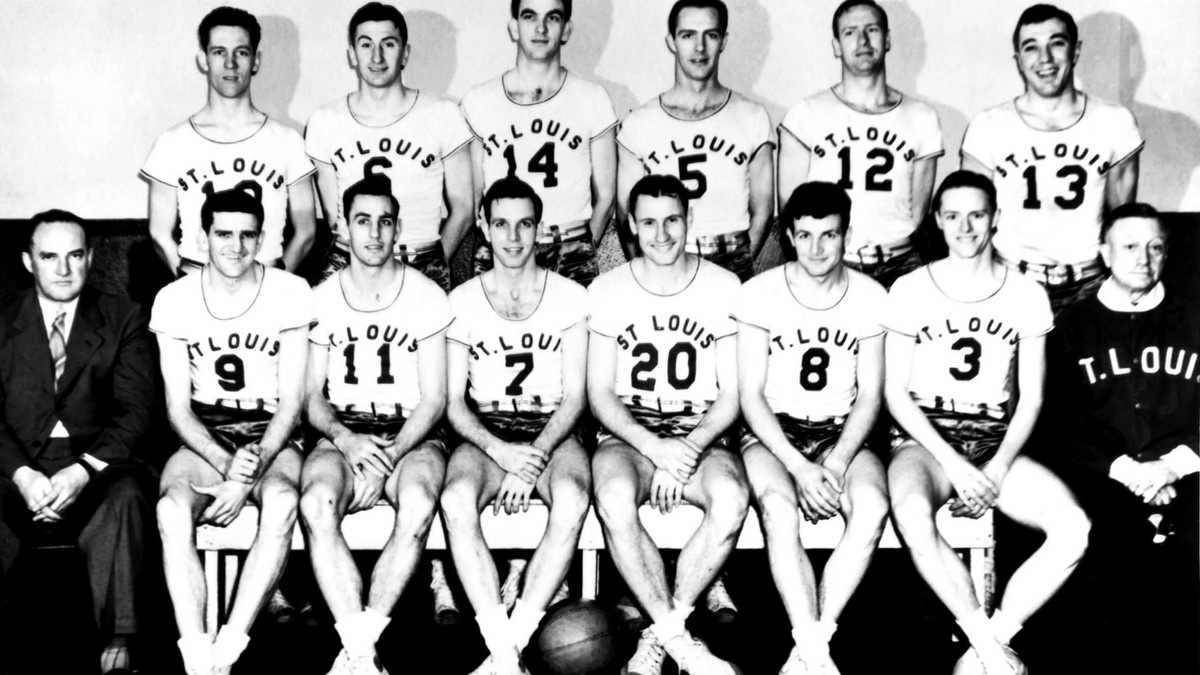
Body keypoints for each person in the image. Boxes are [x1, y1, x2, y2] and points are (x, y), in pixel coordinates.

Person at [884, 170, 1090, 675]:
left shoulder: (1026, 292)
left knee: (1075, 529)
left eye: (977, 214)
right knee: (910, 511)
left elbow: (1031, 397)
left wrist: (996, 468)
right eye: (953, 215)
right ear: (937, 220)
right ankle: (990, 651)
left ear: (996, 218)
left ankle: (990, 643)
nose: (966, 227)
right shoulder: (910, 288)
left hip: (993, 438)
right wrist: (953, 465)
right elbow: (894, 393)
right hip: (925, 438)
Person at [153, 184, 313, 675]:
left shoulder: (290, 291)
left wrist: (249, 473)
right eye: (224, 234)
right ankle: (197, 658)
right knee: (171, 509)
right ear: (203, 238)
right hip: (207, 431)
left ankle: (229, 647)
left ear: (262, 238)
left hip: (271, 430)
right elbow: (178, 411)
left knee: (282, 500)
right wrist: (228, 465)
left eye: (247, 235)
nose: (236, 246)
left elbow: (293, 404)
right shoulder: (174, 299)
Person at [589, 174, 746, 675]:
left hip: (700, 434)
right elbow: (600, 394)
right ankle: (681, 642)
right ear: (631, 226)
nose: (661, 234)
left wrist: (687, 448)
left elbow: (732, 394)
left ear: (689, 220)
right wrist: (656, 449)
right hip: (630, 435)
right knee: (614, 496)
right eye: (649, 222)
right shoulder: (608, 289)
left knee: (731, 498)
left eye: (672, 220)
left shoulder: (724, 286)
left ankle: (660, 634)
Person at [297, 175, 451, 675]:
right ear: (344, 227)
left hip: (411, 434)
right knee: (315, 502)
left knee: (420, 501)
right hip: (344, 433)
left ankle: (359, 648)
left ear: (399, 228)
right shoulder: (321, 298)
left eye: (385, 221)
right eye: (363, 221)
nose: (375, 232)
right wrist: (346, 441)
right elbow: (309, 397)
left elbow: (435, 399)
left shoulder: (427, 295)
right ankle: (362, 654)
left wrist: (388, 455)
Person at [439, 174, 590, 675]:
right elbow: (453, 404)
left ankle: (509, 650)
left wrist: (532, 460)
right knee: (456, 498)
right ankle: (501, 648)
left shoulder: (570, 296)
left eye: (525, 224)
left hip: (551, 429)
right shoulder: (461, 301)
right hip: (488, 431)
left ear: (540, 229)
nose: (513, 236)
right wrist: (501, 453)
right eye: (501, 224)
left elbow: (575, 398)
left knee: (571, 497)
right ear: (483, 227)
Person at [736, 182, 889, 674]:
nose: (817, 248)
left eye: (829, 235)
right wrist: (800, 468)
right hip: (774, 432)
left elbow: (871, 394)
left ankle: (810, 648)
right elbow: (750, 396)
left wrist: (837, 460)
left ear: (848, 235)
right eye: (804, 235)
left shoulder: (871, 296)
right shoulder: (759, 293)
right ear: (788, 236)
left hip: (840, 431)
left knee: (872, 506)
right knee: (779, 508)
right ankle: (816, 655)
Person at [0, 210, 157, 674]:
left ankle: (120, 637)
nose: (64, 269)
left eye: (75, 255)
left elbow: (135, 412)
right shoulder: (1, 319)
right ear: (28, 261)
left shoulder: (123, 316)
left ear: (90, 257)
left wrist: (83, 469)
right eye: (49, 257)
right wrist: (22, 474)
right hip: (16, 464)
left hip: (98, 462)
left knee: (128, 495)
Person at [1048, 203, 1198, 671]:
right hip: (1105, 476)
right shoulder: (1071, 326)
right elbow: (1060, 419)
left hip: (1187, 471)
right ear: (1104, 252)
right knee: (1110, 548)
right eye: (1130, 246)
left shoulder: (1194, 316)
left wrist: (1175, 465)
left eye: (1156, 247)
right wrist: (1128, 471)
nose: (1144, 258)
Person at [961, 3, 1142, 312]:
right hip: (1012, 281)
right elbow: (973, 220)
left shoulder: (1115, 122)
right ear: (1019, 60)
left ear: (1075, 51)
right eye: (1031, 47)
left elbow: (1124, 223)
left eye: (1056, 44)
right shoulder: (988, 126)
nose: (1044, 59)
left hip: (1090, 282)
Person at [306, 2, 474, 290]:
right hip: (351, 261)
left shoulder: (443, 114)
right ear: (352, 54)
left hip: (421, 257)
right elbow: (336, 219)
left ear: (405, 53)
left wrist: (434, 263)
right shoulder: (325, 120)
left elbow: (464, 209)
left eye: (388, 44)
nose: (377, 56)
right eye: (366, 44)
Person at [141, 6, 317, 277]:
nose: (230, 63)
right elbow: (159, 234)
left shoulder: (288, 141)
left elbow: (306, 231)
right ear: (204, 60)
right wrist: (194, 286)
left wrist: (275, 284)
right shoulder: (172, 143)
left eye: (241, 52)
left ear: (256, 61)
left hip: (266, 279)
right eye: (219, 52)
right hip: (198, 280)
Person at [778, 0, 943, 289]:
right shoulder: (806, 114)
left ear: (887, 39)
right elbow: (790, 210)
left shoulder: (922, 117)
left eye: (872, 29)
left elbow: (917, 214)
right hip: (832, 263)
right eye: (850, 32)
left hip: (901, 264)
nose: (863, 40)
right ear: (836, 45)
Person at [460, 0, 617, 287]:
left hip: (569, 243)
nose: (541, 28)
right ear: (514, 28)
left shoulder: (592, 97)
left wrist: (582, 248)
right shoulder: (479, 100)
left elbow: (606, 196)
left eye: (552, 18)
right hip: (502, 247)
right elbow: (473, 199)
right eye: (530, 16)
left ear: (566, 30)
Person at [616, 0, 773, 282]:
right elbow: (626, 215)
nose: (699, 47)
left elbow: (763, 211)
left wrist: (738, 268)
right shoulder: (639, 123)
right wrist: (648, 275)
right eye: (688, 35)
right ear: (672, 41)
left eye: (710, 35)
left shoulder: (753, 117)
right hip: (667, 257)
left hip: (732, 257)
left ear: (723, 41)